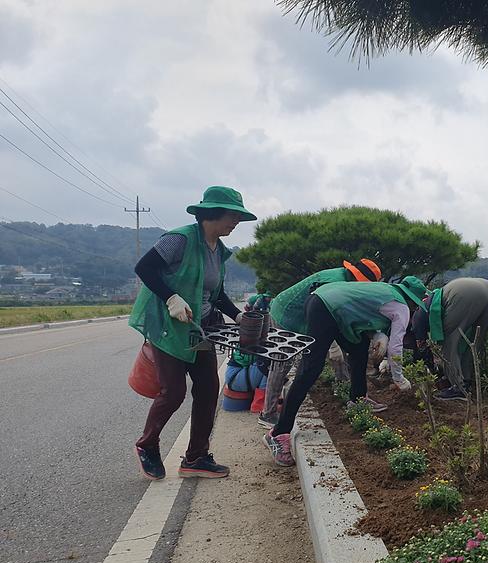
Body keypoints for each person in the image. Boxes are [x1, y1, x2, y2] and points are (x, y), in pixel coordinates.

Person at [129, 186, 257, 480]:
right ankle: (147, 445)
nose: (236, 222)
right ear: (213, 213)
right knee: (173, 393)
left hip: (198, 331)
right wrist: (171, 298)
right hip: (168, 328)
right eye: (233, 215)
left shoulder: (219, 251)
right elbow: (145, 268)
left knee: (208, 388)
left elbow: (216, 292)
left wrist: (236, 314)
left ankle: (196, 457)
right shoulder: (180, 239)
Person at [263, 276, 428, 467]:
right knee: (311, 367)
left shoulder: (386, 291)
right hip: (325, 309)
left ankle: (358, 399)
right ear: (411, 301)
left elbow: (362, 314)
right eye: (415, 306)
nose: (415, 309)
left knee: (358, 348)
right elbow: (396, 346)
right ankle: (278, 433)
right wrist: (399, 378)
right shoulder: (401, 307)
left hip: (321, 300)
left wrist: (378, 335)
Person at [257, 259, 382, 428]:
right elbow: (319, 314)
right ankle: (268, 414)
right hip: (286, 313)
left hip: (307, 317)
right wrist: (333, 346)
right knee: (282, 362)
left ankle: (355, 396)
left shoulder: (348, 283)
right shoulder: (333, 281)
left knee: (356, 347)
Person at [411, 277, 488, 400]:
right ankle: (467, 380)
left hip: (464, 294)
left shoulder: (418, 314)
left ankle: (459, 387)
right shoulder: (433, 296)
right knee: (474, 341)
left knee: (450, 342)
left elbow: (422, 346)